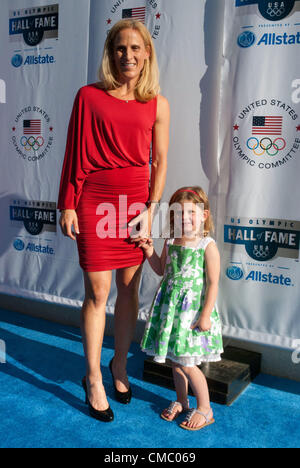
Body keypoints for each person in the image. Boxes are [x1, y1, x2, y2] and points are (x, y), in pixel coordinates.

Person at [57, 19, 170, 422]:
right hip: (95, 198)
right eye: (121, 48)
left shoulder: (157, 102)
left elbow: (160, 164)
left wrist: (150, 209)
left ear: (147, 54)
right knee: (98, 291)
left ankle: (119, 365)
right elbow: (73, 151)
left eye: (136, 48)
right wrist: (68, 203)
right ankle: (93, 377)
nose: (128, 56)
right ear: (111, 52)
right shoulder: (88, 96)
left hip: (134, 204)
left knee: (129, 287)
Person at [139, 187, 223, 431]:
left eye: (191, 212)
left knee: (187, 362)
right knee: (175, 361)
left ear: (204, 214)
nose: (185, 218)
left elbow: (213, 282)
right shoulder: (171, 240)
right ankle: (182, 401)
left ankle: (205, 409)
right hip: (171, 311)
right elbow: (160, 269)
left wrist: (205, 315)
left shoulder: (207, 245)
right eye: (179, 213)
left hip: (193, 313)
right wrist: (148, 250)